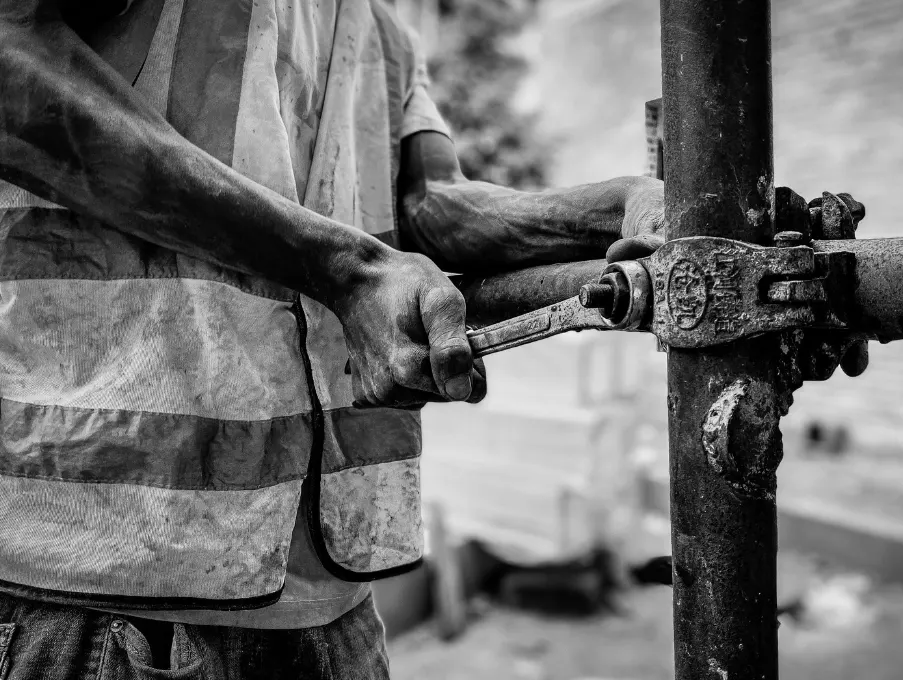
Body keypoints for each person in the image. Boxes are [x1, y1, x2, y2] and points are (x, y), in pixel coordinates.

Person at [0, 0, 668, 677]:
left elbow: (432, 202)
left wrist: (618, 205)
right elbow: (10, 67)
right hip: (104, 583)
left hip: (330, 601)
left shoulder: (373, 25)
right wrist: (347, 271)